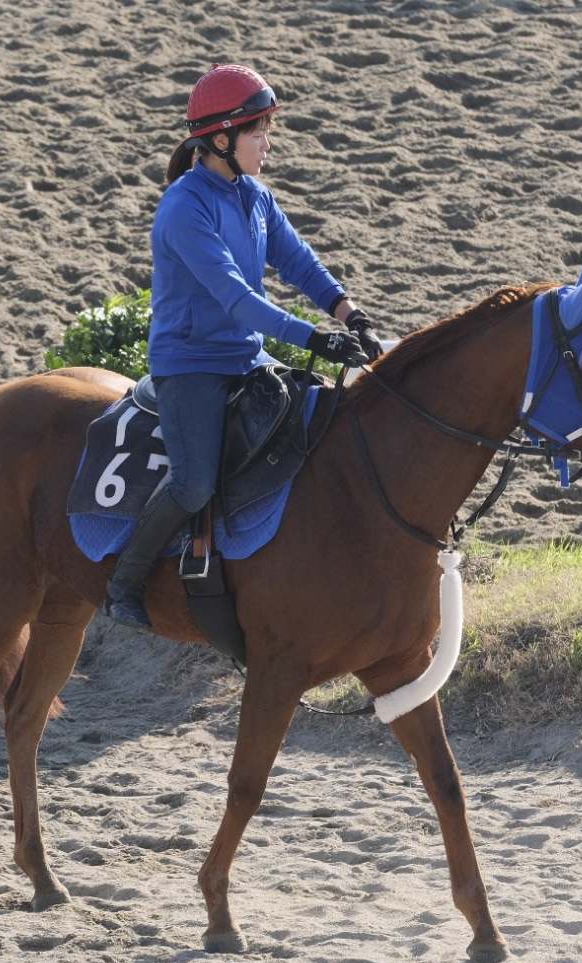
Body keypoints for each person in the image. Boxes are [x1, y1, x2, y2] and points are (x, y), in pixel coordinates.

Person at [104, 63, 383, 630]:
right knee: (195, 482)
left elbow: (299, 260)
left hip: (246, 356)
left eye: (267, 130)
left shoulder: (254, 196)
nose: (268, 143)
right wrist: (313, 337)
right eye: (259, 132)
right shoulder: (184, 208)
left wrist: (349, 313)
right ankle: (124, 582)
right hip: (191, 366)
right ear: (222, 139)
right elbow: (237, 299)